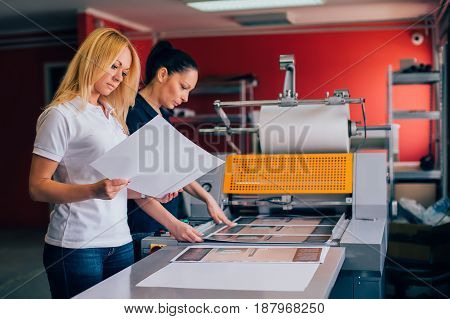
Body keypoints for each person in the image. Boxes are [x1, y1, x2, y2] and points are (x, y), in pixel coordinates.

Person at [29, 28, 177, 298]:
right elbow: (38, 187)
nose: (118, 77)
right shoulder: (61, 115)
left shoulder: (112, 116)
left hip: (119, 243)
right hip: (76, 246)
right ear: (92, 59)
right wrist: (93, 191)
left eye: (123, 72)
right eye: (114, 66)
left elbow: (115, 186)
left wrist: (148, 190)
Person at [126, 41, 235, 259]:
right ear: (163, 74)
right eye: (184, 87)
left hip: (168, 223)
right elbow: (135, 183)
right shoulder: (134, 114)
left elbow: (175, 170)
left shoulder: (163, 115)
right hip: (142, 225)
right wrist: (174, 225)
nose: (186, 97)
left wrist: (208, 199)